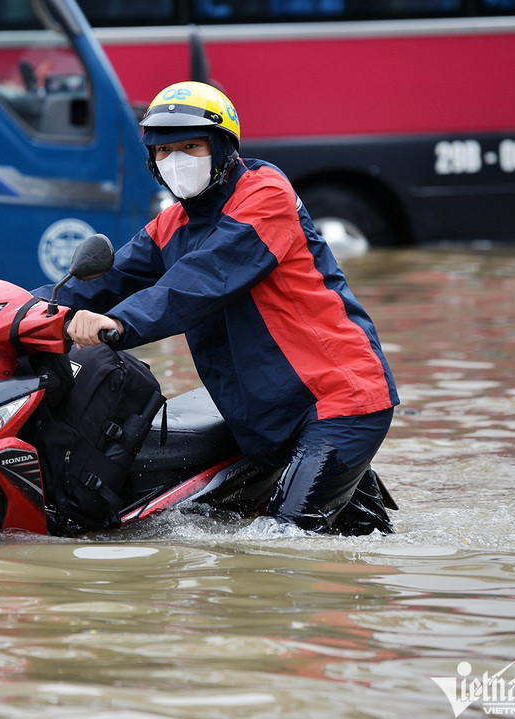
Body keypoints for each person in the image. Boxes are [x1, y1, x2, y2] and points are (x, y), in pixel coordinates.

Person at [50, 80, 399, 536]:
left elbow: (203, 279)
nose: (177, 160)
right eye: (164, 150)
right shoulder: (170, 225)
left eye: (191, 146)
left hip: (336, 402)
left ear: (222, 148)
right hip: (268, 420)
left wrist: (118, 321)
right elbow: (105, 282)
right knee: (360, 545)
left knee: (280, 546)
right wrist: (18, 309)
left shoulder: (266, 195)